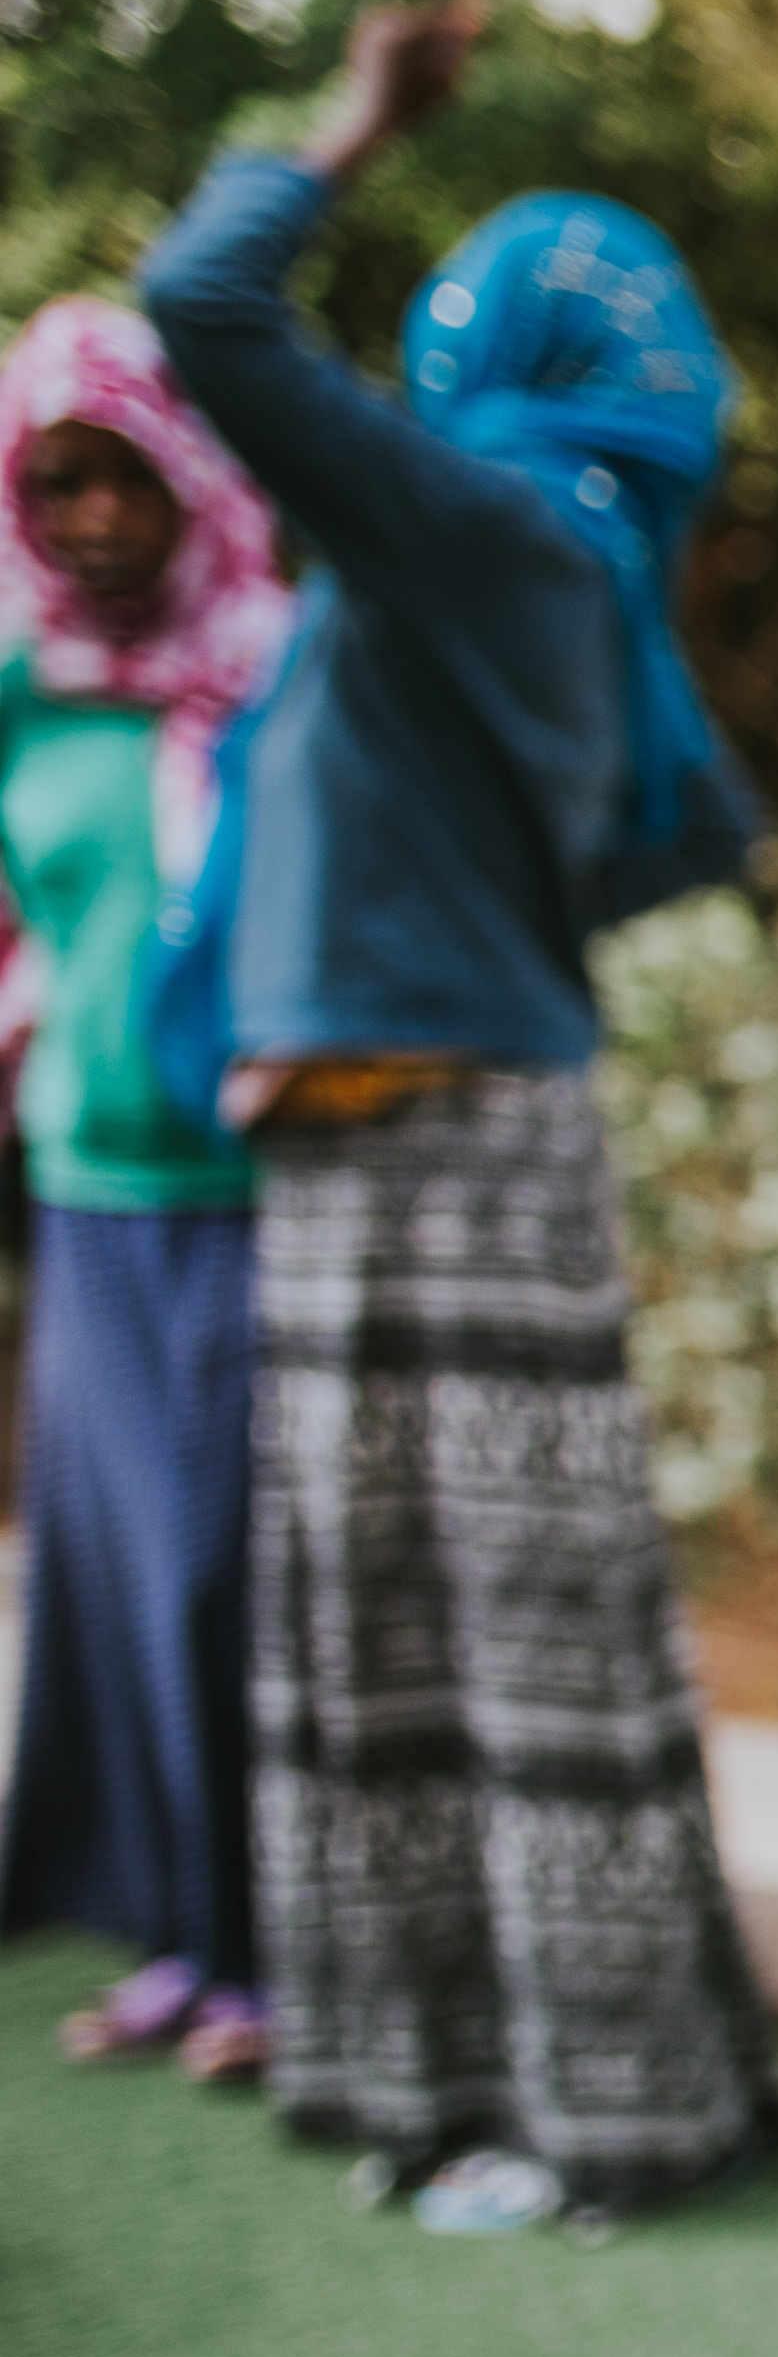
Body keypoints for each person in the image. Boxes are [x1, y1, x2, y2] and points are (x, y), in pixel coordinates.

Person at [137, 0, 778, 2237]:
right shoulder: (524, 555)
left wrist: (352, 121)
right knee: (402, 1642)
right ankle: (463, 2080)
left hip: (451, 1149)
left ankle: (605, 2117)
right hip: (375, 1142)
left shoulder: (492, 528)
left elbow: (200, 310)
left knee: (511, 1652)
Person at [0, 299, 302, 2082]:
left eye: (123, 478)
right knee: (109, 1584)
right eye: (60, 484)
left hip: (253, 1192)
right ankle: (177, 1945)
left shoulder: (274, 667)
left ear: (188, 475)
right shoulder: (22, 692)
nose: (98, 518)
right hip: (83, 1187)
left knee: (226, 1577)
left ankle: (274, 1950)